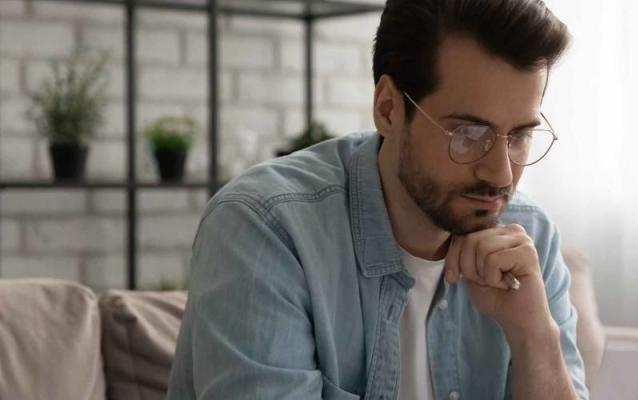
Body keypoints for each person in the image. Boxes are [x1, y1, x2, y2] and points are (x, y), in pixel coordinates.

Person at [166, 0, 587, 398]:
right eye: (467, 134)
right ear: (388, 109)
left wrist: (535, 337)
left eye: (519, 136)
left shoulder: (530, 236)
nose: (501, 173)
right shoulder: (266, 229)